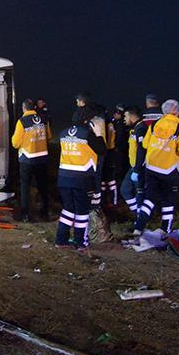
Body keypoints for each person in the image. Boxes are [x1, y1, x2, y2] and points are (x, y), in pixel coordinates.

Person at [133, 99, 179, 235]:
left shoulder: (154, 125)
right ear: (176, 112)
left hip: (151, 168)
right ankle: (165, 229)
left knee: (149, 199)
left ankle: (138, 227)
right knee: (168, 200)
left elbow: (146, 144)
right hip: (169, 170)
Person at [55, 106, 107, 251]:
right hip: (82, 178)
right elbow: (102, 150)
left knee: (68, 210)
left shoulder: (63, 133)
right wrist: (98, 134)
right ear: (87, 119)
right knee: (82, 212)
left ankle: (61, 240)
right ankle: (81, 243)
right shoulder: (87, 134)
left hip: (64, 177)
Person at [11, 98, 52, 222]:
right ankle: (45, 212)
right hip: (42, 159)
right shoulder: (44, 119)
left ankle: (25, 214)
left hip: (27, 159)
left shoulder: (22, 122)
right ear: (34, 108)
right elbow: (48, 136)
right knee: (43, 186)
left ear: (24, 108)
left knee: (25, 187)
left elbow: (15, 143)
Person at [120, 106, 146, 219]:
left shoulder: (141, 129)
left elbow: (142, 149)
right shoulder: (135, 129)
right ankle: (138, 215)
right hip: (133, 167)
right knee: (125, 190)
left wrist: (137, 169)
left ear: (131, 115)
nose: (124, 119)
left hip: (139, 168)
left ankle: (140, 221)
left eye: (125, 116)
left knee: (140, 194)